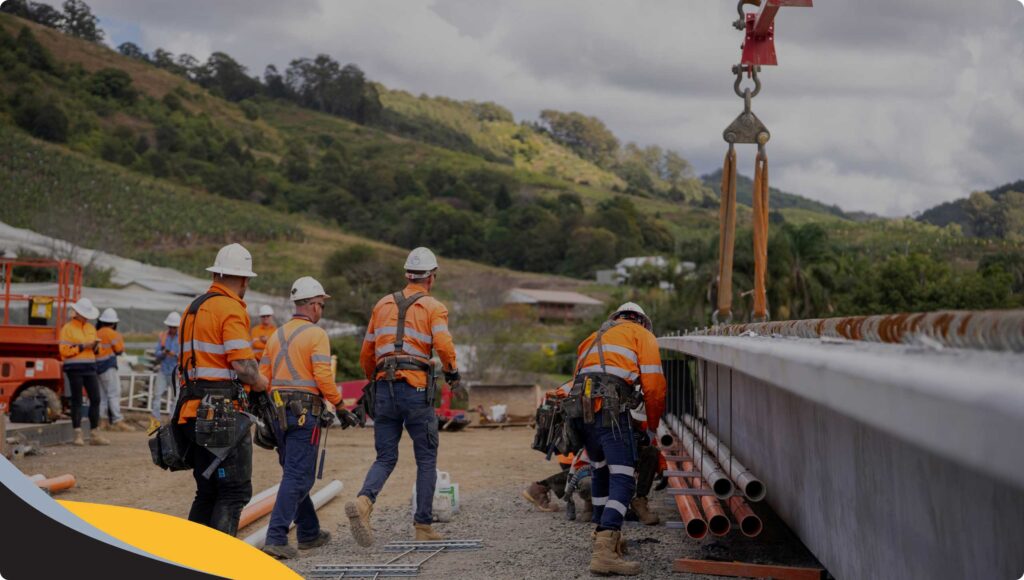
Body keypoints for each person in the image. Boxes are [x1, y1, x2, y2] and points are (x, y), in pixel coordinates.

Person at [347, 247, 460, 546]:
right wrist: (452, 372)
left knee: (385, 456)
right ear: (431, 277)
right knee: (425, 458)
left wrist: (376, 378)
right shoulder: (434, 307)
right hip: (415, 388)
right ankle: (422, 526)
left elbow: (366, 354)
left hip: (384, 386)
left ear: (407, 275)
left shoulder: (381, 304)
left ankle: (363, 502)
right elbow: (445, 347)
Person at [174, 243, 268, 536]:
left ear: (216, 273)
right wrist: (261, 382)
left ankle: (189, 559)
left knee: (207, 490)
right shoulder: (229, 308)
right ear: (243, 280)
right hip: (221, 414)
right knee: (234, 491)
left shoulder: (193, 308)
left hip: (189, 411)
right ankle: (218, 564)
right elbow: (243, 365)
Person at [568, 302, 666, 576]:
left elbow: (578, 377)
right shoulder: (642, 335)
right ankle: (605, 551)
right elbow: (654, 386)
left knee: (600, 469)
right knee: (623, 477)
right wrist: (653, 425)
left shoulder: (592, 337)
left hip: (581, 411)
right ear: (642, 321)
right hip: (610, 411)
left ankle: (603, 536)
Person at [259, 277, 351, 559]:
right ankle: (276, 537)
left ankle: (309, 532)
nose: (321, 310)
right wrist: (340, 405)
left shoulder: (276, 335)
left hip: (277, 413)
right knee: (299, 476)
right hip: (303, 413)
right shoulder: (316, 335)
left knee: (295, 474)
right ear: (311, 305)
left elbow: (263, 377)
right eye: (321, 304)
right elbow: (323, 375)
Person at [58, 298, 110, 446]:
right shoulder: (67, 329)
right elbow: (63, 351)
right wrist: (82, 347)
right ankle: (78, 434)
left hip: (90, 368)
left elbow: (96, 351)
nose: (86, 317)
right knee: (77, 400)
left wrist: (94, 347)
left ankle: (94, 433)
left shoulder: (90, 328)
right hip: (74, 369)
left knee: (96, 399)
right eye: (84, 314)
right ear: (78, 313)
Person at [95, 308, 128, 432]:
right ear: (114, 323)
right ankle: (117, 420)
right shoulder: (114, 334)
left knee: (102, 396)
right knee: (113, 394)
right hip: (108, 367)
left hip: (97, 367)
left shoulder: (96, 333)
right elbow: (119, 350)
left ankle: (102, 421)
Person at [149, 311, 182, 433]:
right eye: (170, 327)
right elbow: (157, 353)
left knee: (176, 398)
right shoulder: (163, 336)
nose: (172, 329)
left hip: (175, 372)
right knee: (156, 395)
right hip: (163, 370)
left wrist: (175, 354)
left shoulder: (182, 338)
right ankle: (155, 423)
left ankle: (172, 422)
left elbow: (185, 355)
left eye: (174, 327)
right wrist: (163, 353)